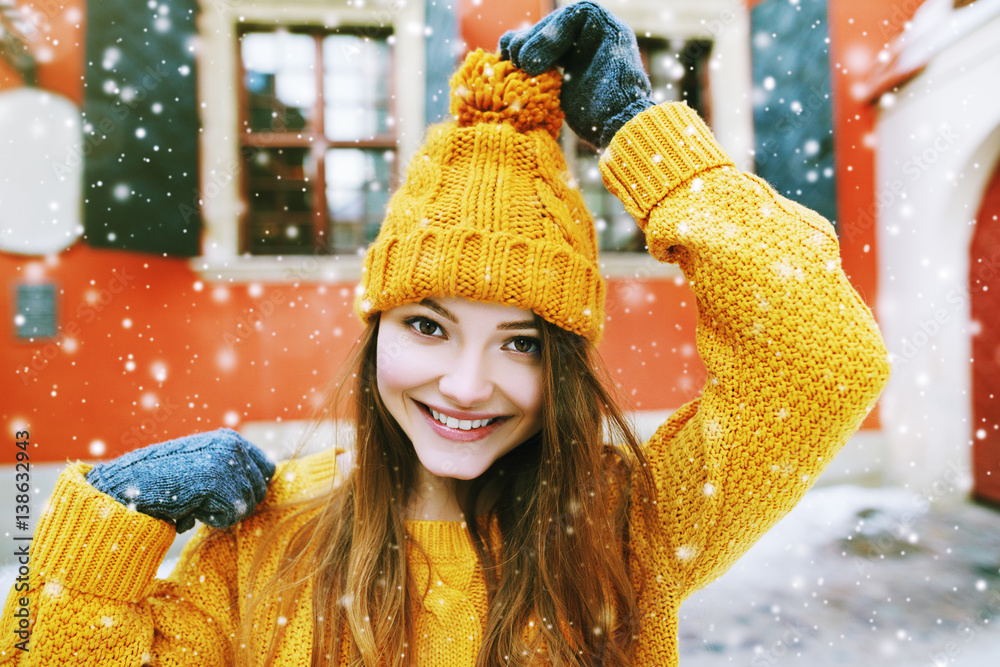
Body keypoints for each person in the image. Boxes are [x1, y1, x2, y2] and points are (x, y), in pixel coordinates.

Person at [0, 3, 890, 665]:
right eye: (429, 324)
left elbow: (826, 355)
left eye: (522, 343)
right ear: (375, 329)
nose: (467, 385)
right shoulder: (266, 541)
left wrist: (636, 131)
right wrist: (98, 529)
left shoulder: (626, 527)